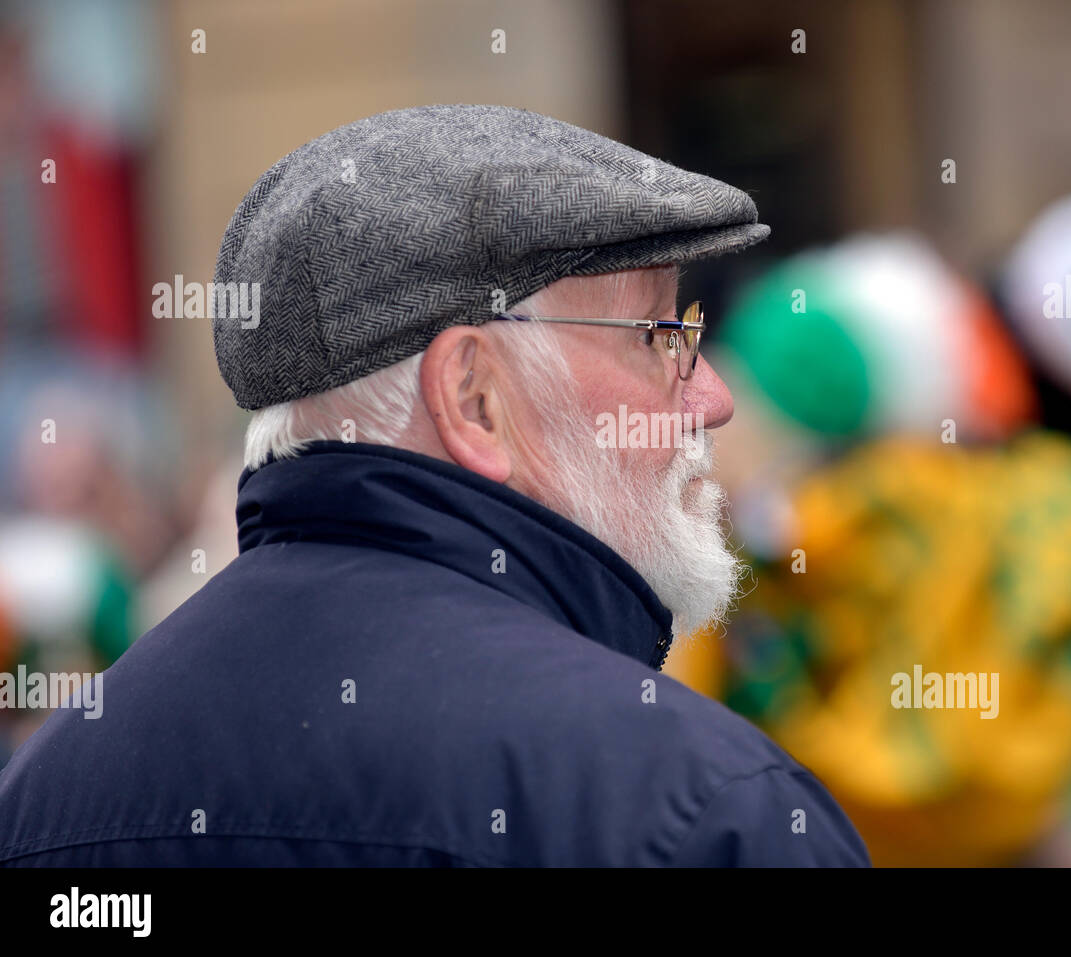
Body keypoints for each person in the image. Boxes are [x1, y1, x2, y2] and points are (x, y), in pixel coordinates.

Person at [0, 105, 869, 867]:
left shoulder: (45, 797)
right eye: (658, 335)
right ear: (473, 397)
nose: (711, 397)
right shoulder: (701, 805)